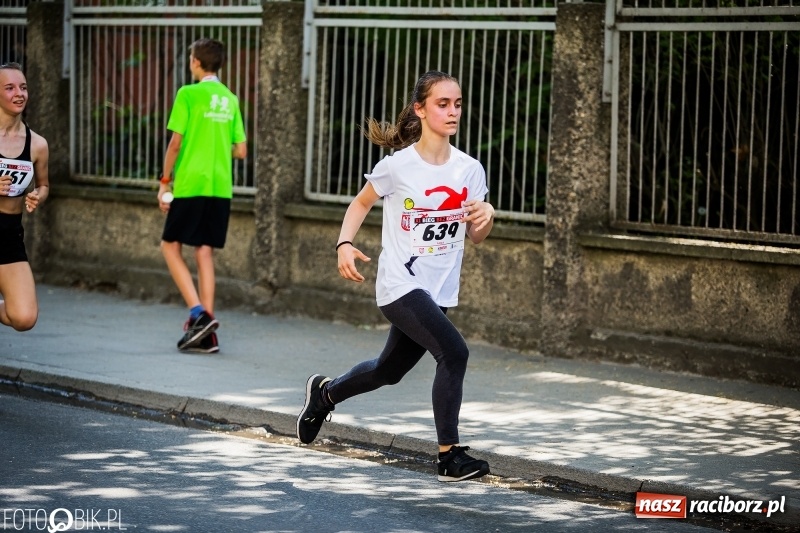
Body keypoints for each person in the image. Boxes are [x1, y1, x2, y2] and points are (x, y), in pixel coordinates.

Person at [296, 70, 496, 482]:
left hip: (437, 288)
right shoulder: (398, 166)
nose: (453, 111)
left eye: (457, 104)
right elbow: (360, 203)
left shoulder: (470, 170)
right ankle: (449, 456)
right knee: (454, 352)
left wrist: (487, 216)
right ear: (420, 110)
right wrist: (344, 244)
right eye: (443, 104)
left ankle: (325, 393)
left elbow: (475, 236)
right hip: (400, 285)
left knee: (389, 371)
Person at [158, 38, 247, 354]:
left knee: (169, 245)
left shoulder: (188, 94)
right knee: (204, 251)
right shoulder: (230, 98)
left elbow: (175, 144)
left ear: (195, 62)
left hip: (191, 183)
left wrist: (165, 182)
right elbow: (241, 150)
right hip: (220, 186)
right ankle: (207, 335)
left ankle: (197, 312)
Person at [0, 62, 49, 332]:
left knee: (24, 317)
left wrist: (37, 196)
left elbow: (44, 185)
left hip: (9, 234)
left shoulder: (38, 144)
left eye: (23, 87)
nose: (19, 93)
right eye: (9, 88)